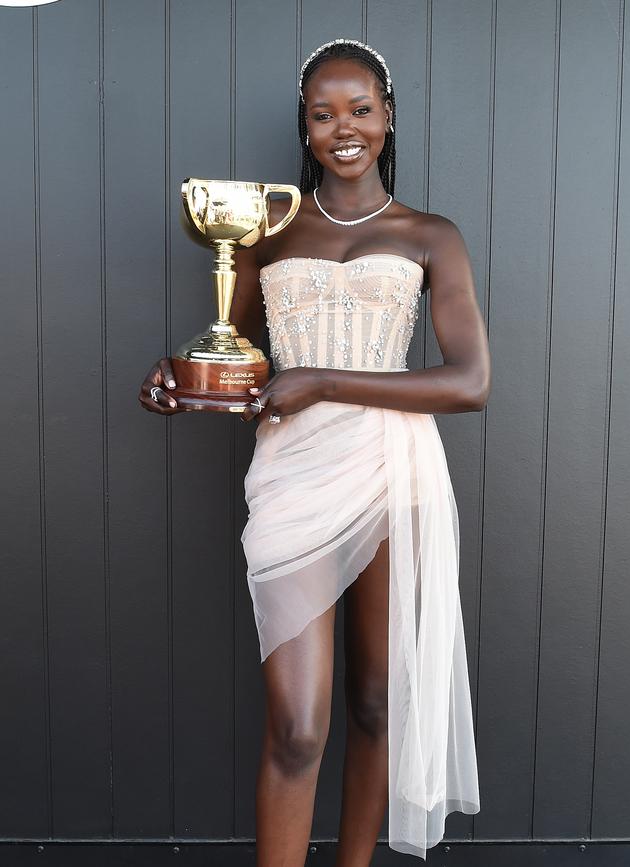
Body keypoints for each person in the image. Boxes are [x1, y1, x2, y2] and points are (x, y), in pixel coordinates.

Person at [139, 38, 490, 866]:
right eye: (324, 112)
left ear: (387, 117)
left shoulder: (429, 234)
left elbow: (470, 382)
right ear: (304, 127)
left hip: (394, 470)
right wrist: (181, 375)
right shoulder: (270, 231)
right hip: (294, 473)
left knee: (374, 702)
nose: (344, 128)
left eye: (360, 109)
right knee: (299, 725)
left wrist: (325, 379)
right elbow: (244, 358)